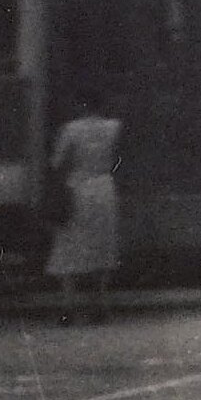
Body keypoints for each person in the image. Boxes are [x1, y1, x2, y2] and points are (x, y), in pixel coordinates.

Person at [45, 103, 123, 321]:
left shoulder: (70, 129)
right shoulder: (114, 127)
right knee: (103, 245)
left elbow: (56, 162)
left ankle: (68, 305)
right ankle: (100, 304)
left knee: (69, 247)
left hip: (77, 189)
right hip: (105, 188)